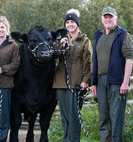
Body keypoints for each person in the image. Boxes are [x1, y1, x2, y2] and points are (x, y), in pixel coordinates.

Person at [91, 7, 133, 142]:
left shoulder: (123, 34)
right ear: (102, 19)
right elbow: (95, 60)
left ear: (116, 18)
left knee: (116, 118)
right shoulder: (98, 35)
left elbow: (129, 59)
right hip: (101, 81)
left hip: (117, 82)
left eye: (111, 17)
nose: (108, 19)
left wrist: (125, 81)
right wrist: (93, 82)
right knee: (104, 118)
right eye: (106, 17)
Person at [52, 9, 93, 142]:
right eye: (68, 22)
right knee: (64, 117)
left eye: (73, 22)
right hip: (60, 83)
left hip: (76, 83)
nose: (70, 24)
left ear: (77, 24)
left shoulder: (85, 41)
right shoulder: (61, 41)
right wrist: (61, 45)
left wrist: (86, 80)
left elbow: (89, 61)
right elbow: (53, 56)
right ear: (65, 25)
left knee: (74, 117)